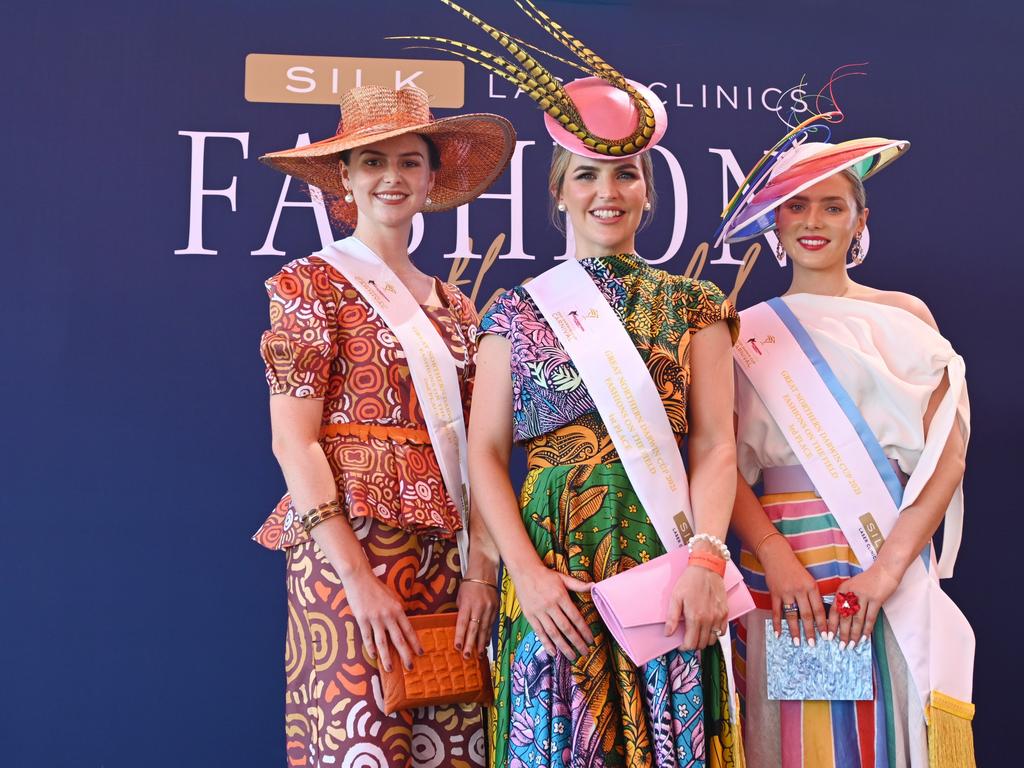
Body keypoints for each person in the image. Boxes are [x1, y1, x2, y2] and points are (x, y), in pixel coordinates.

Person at [418, 5, 744, 763]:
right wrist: (524, 579)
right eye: (587, 175)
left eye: (625, 174)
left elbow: (718, 446)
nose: (609, 191)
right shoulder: (517, 309)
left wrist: (705, 559)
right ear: (560, 191)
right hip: (555, 572)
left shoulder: (696, 306)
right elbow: (487, 456)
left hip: (667, 565)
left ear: (647, 190)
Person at [252, 84, 515, 768]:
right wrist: (355, 580)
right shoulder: (309, 285)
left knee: (455, 744)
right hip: (350, 547)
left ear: (431, 179)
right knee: (359, 742)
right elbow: (294, 439)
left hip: (450, 559)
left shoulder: (459, 307)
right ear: (345, 177)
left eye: (408, 161)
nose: (391, 177)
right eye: (373, 162)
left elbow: (483, 451)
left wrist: (480, 572)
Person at [720, 126, 975, 767]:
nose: (814, 222)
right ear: (774, 224)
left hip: (885, 558)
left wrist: (886, 571)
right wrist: (775, 557)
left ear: (860, 219)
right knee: (799, 743)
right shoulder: (743, 332)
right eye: (796, 206)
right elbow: (721, 465)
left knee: (882, 735)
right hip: (786, 572)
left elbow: (947, 456)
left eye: (833, 206)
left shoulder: (905, 316)